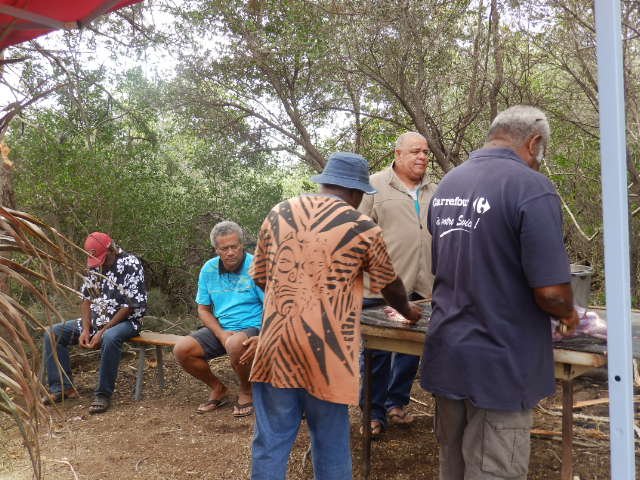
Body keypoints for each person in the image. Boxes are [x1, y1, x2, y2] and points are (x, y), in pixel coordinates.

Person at [420, 105, 580, 479]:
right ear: (534, 142)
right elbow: (552, 293)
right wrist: (570, 315)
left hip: (448, 352)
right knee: (494, 470)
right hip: (500, 362)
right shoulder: (530, 186)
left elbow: (446, 262)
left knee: (453, 466)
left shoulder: (450, 183)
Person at [247, 151, 422, 480]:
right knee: (331, 443)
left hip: (276, 347)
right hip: (327, 353)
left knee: (270, 443)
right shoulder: (362, 227)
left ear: (326, 182)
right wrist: (409, 311)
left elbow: (260, 277)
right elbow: (390, 286)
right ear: (357, 193)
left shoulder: (278, 213)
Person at [358, 131, 437, 436]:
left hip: (424, 284)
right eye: (416, 151)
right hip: (383, 286)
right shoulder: (374, 186)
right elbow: (357, 231)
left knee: (410, 351)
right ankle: (373, 414)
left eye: (426, 152)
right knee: (376, 353)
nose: (422, 157)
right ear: (398, 154)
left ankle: (396, 404)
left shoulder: (437, 190)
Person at [43, 232, 147, 414]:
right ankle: (61, 388)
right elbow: (86, 297)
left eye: (103, 258)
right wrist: (85, 328)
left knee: (109, 337)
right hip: (97, 319)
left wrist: (102, 330)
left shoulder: (131, 264)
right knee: (53, 333)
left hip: (127, 321)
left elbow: (130, 305)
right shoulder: (94, 265)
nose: (100, 263)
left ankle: (103, 394)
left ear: (111, 249)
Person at [173, 221, 264, 417]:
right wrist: (221, 334)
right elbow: (203, 309)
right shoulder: (209, 269)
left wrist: (264, 336)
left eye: (235, 246)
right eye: (225, 248)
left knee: (235, 344)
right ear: (216, 250)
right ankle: (218, 388)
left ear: (242, 245)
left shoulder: (257, 266)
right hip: (223, 327)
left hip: (253, 326)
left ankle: (247, 390)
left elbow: (272, 307)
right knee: (182, 350)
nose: (231, 252)